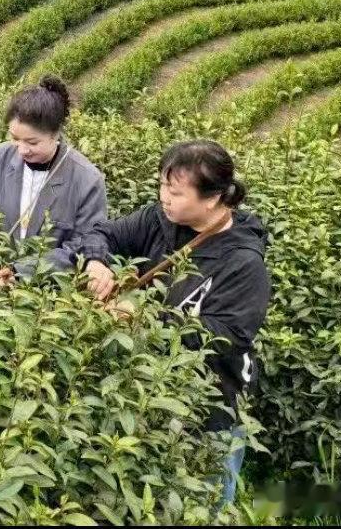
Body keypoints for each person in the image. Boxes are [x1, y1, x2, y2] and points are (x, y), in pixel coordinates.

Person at [83, 139, 271, 511]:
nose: (164, 198)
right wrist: (97, 261)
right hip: (146, 388)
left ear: (213, 199)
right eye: (162, 187)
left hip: (209, 403)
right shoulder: (159, 218)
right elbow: (102, 233)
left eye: (175, 192)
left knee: (203, 501)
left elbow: (228, 336)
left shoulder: (244, 262)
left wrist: (145, 317)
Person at [0, 76, 109, 286]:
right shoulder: (1, 157)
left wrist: (22, 272)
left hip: (46, 291)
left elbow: (84, 244)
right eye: (15, 138)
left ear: (55, 135)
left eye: (32, 142)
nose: (22, 149)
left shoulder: (87, 180)